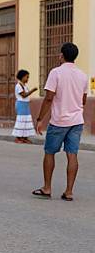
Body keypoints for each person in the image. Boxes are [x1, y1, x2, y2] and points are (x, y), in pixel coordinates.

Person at [33, 43, 88, 201]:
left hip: (59, 121)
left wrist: (39, 119)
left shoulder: (55, 73)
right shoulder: (83, 75)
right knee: (72, 155)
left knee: (50, 152)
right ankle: (69, 191)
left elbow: (49, 97)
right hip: (77, 121)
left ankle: (47, 188)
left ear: (61, 55)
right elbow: (83, 100)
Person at [12, 69, 37, 144]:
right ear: (22, 77)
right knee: (21, 120)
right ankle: (18, 137)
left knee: (26, 120)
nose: (27, 79)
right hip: (21, 105)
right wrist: (33, 90)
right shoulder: (18, 86)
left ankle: (25, 137)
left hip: (25, 105)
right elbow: (23, 95)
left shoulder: (24, 86)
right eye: (26, 77)